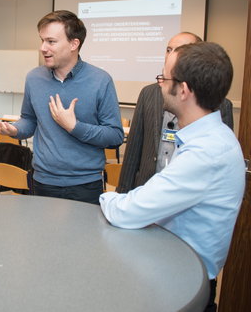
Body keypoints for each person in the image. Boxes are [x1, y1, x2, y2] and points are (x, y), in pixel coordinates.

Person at [100, 42, 245, 312]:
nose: (160, 85)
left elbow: (128, 211)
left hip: (183, 284)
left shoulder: (205, 153)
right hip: (177, 271)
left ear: (184, 90)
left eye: (164, 78)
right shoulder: (206, 139)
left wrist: (106, 196)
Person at [0, 10, 123, 204]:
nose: (43, 48)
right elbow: (30, 120)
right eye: (42, 40)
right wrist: (14, 129)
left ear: (74, 44)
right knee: (43, 235)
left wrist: (74, 127)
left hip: (85, 185)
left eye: (51, 41)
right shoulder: (34, 78)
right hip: (42, 180)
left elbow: (115, 136)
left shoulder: (101, 80)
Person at [117, 32, 234, 193]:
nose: (171, 55)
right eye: (168, 50)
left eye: (179, 51)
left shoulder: (213, 143)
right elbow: (133, 150)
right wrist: (122, 192)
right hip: (146, 188)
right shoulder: (149, 94)